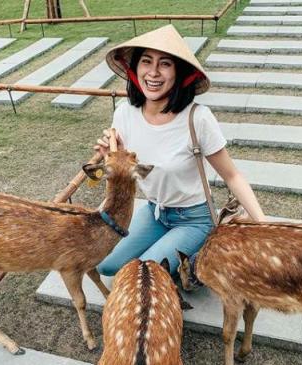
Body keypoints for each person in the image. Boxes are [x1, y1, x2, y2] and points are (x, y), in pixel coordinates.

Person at [94, 25, 265, 278]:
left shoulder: (198, 119)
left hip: (193, 218)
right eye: (146, 61)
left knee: (143, 274)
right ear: (135, 69)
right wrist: (109, 157)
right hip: (155, 213)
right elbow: (119, 172)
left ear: (179, 73)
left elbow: (232, 176)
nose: (153, 72)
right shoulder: (124, 113)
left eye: (165, 64)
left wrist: (265, 225)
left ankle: (201, 257)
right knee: (105, 265)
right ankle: (180, 257)